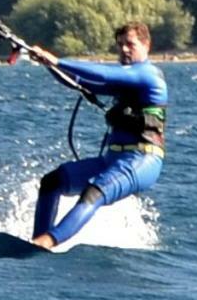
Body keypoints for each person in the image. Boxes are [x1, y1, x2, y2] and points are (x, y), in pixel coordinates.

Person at [25, 21, 168, 249]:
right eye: (119, 45)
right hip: (110, 160)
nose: (123, 50)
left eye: (130, 44)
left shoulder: (148, 75)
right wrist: (48, 64)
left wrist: (57, 60)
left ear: (146, 45)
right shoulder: (125, 80)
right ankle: (36, 244)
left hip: (142, 160)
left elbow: (103, 74)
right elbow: (79, 82)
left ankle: (46, 242)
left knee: (93, 192)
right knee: (52, 182)